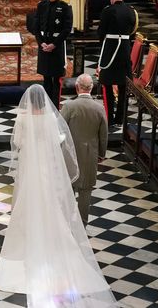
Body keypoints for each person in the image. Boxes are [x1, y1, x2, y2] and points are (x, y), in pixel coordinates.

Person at [0, 84, 117, 308]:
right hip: (47, 168)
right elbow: (59, 140)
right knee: (50, 202)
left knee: (27, 202)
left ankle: (30, 238)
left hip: (31, 166)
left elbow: (18, 143)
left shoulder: (23, 119)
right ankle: (51, 237)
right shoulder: (51, 118)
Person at [61, 74, 108, 225]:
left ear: (76, 87)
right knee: (86, 190)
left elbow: (60, 130)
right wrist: (101, 154)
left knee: (68, 188)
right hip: (90, 155)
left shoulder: (69, 106)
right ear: (92, 88)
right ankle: (82, 224)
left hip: (70, 154)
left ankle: (66, 223)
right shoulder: (99, 108)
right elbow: (103, 135)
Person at [97, 0, 138, 128]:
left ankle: (110, 118)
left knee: (107, 84)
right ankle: (121, 118)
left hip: (110, 50)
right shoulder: (131, 11)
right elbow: (133, 30)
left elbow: (101, 31)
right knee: (123, 85)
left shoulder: (107, 11)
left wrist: (103, 42)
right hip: (125, 50)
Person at [35, 0, 73, 109]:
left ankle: (55, 108)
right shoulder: (41, 6)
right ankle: (46, 106)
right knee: (46, 78)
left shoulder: (65, 7)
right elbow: (36, 27)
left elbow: (67, 29)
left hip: (57, 48)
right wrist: (42, 44)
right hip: (44, 47)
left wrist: (54, 44)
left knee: (56, 80)